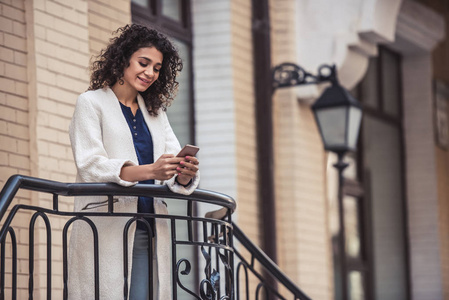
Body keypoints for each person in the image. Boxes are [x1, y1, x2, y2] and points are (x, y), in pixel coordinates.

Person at [68, 24, 199, 300]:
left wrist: (183, 173)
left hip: (148, 226)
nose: (150, 73)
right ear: (124, 58)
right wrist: (150, 170)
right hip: (103, 226)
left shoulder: (155, 114)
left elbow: (171, 165)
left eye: (157, 68)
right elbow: (90, 164)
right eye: (144, 63)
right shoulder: (91, 103)